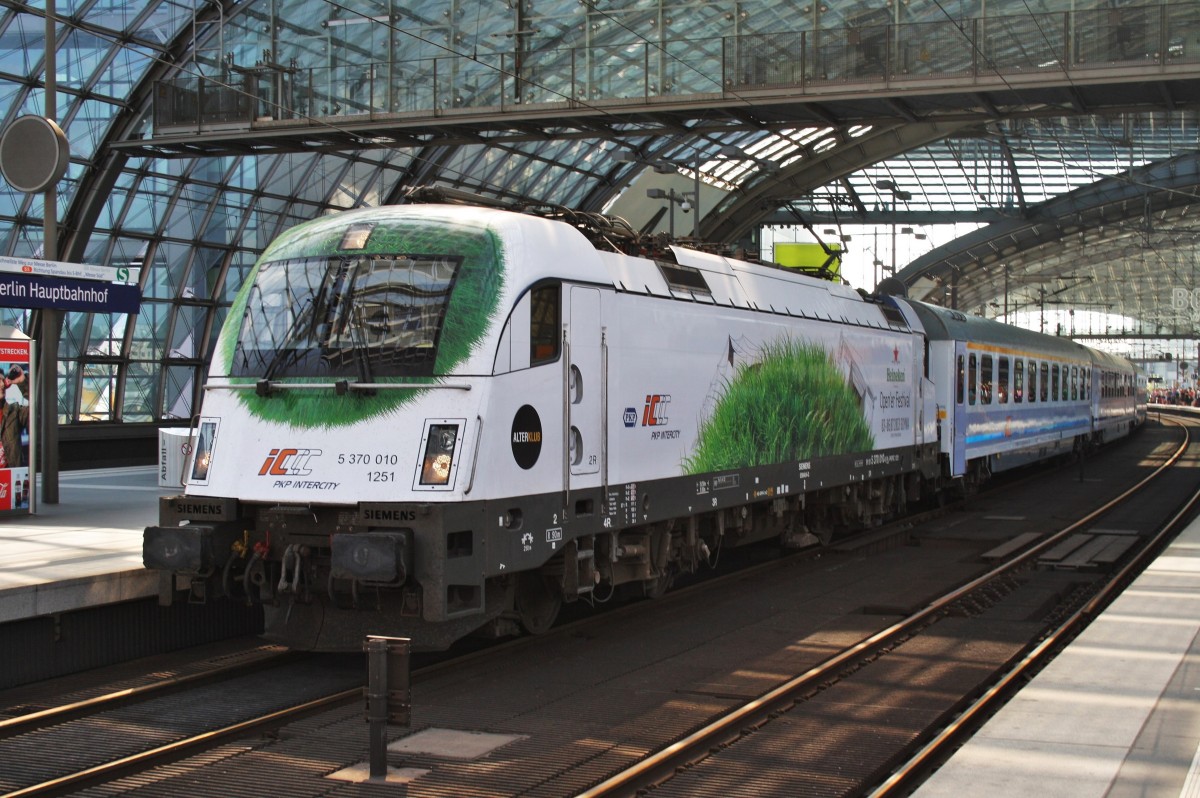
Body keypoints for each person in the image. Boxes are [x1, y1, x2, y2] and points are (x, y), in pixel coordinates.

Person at [0, 365, 30, 468]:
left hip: (10, 474)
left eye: (3, 380)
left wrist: (23, 382)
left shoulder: (13, 411)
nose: (2, 385)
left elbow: (38, 412)